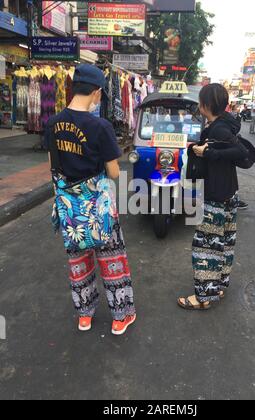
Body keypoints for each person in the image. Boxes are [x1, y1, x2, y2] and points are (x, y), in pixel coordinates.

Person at [44, 64, 136, 335]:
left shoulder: (52, 123)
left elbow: (53, 166)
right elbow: (114, 172)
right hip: (98, 206)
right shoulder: (100, 126)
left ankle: (85, 314)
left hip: (70, 208)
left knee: (78, 260)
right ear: (96, 92)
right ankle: (121, 316)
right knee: (111, 259)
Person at [178, 83, 249, 310]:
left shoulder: (219, 128)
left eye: (200, 102)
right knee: (225, 243)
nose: (199, 107)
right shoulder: (223, 124)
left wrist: (207, 152)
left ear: (207, 105)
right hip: (228, 192)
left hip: (216, 197)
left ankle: (203, 298)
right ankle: (217, 286)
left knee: (206, 247)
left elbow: (241, 153)